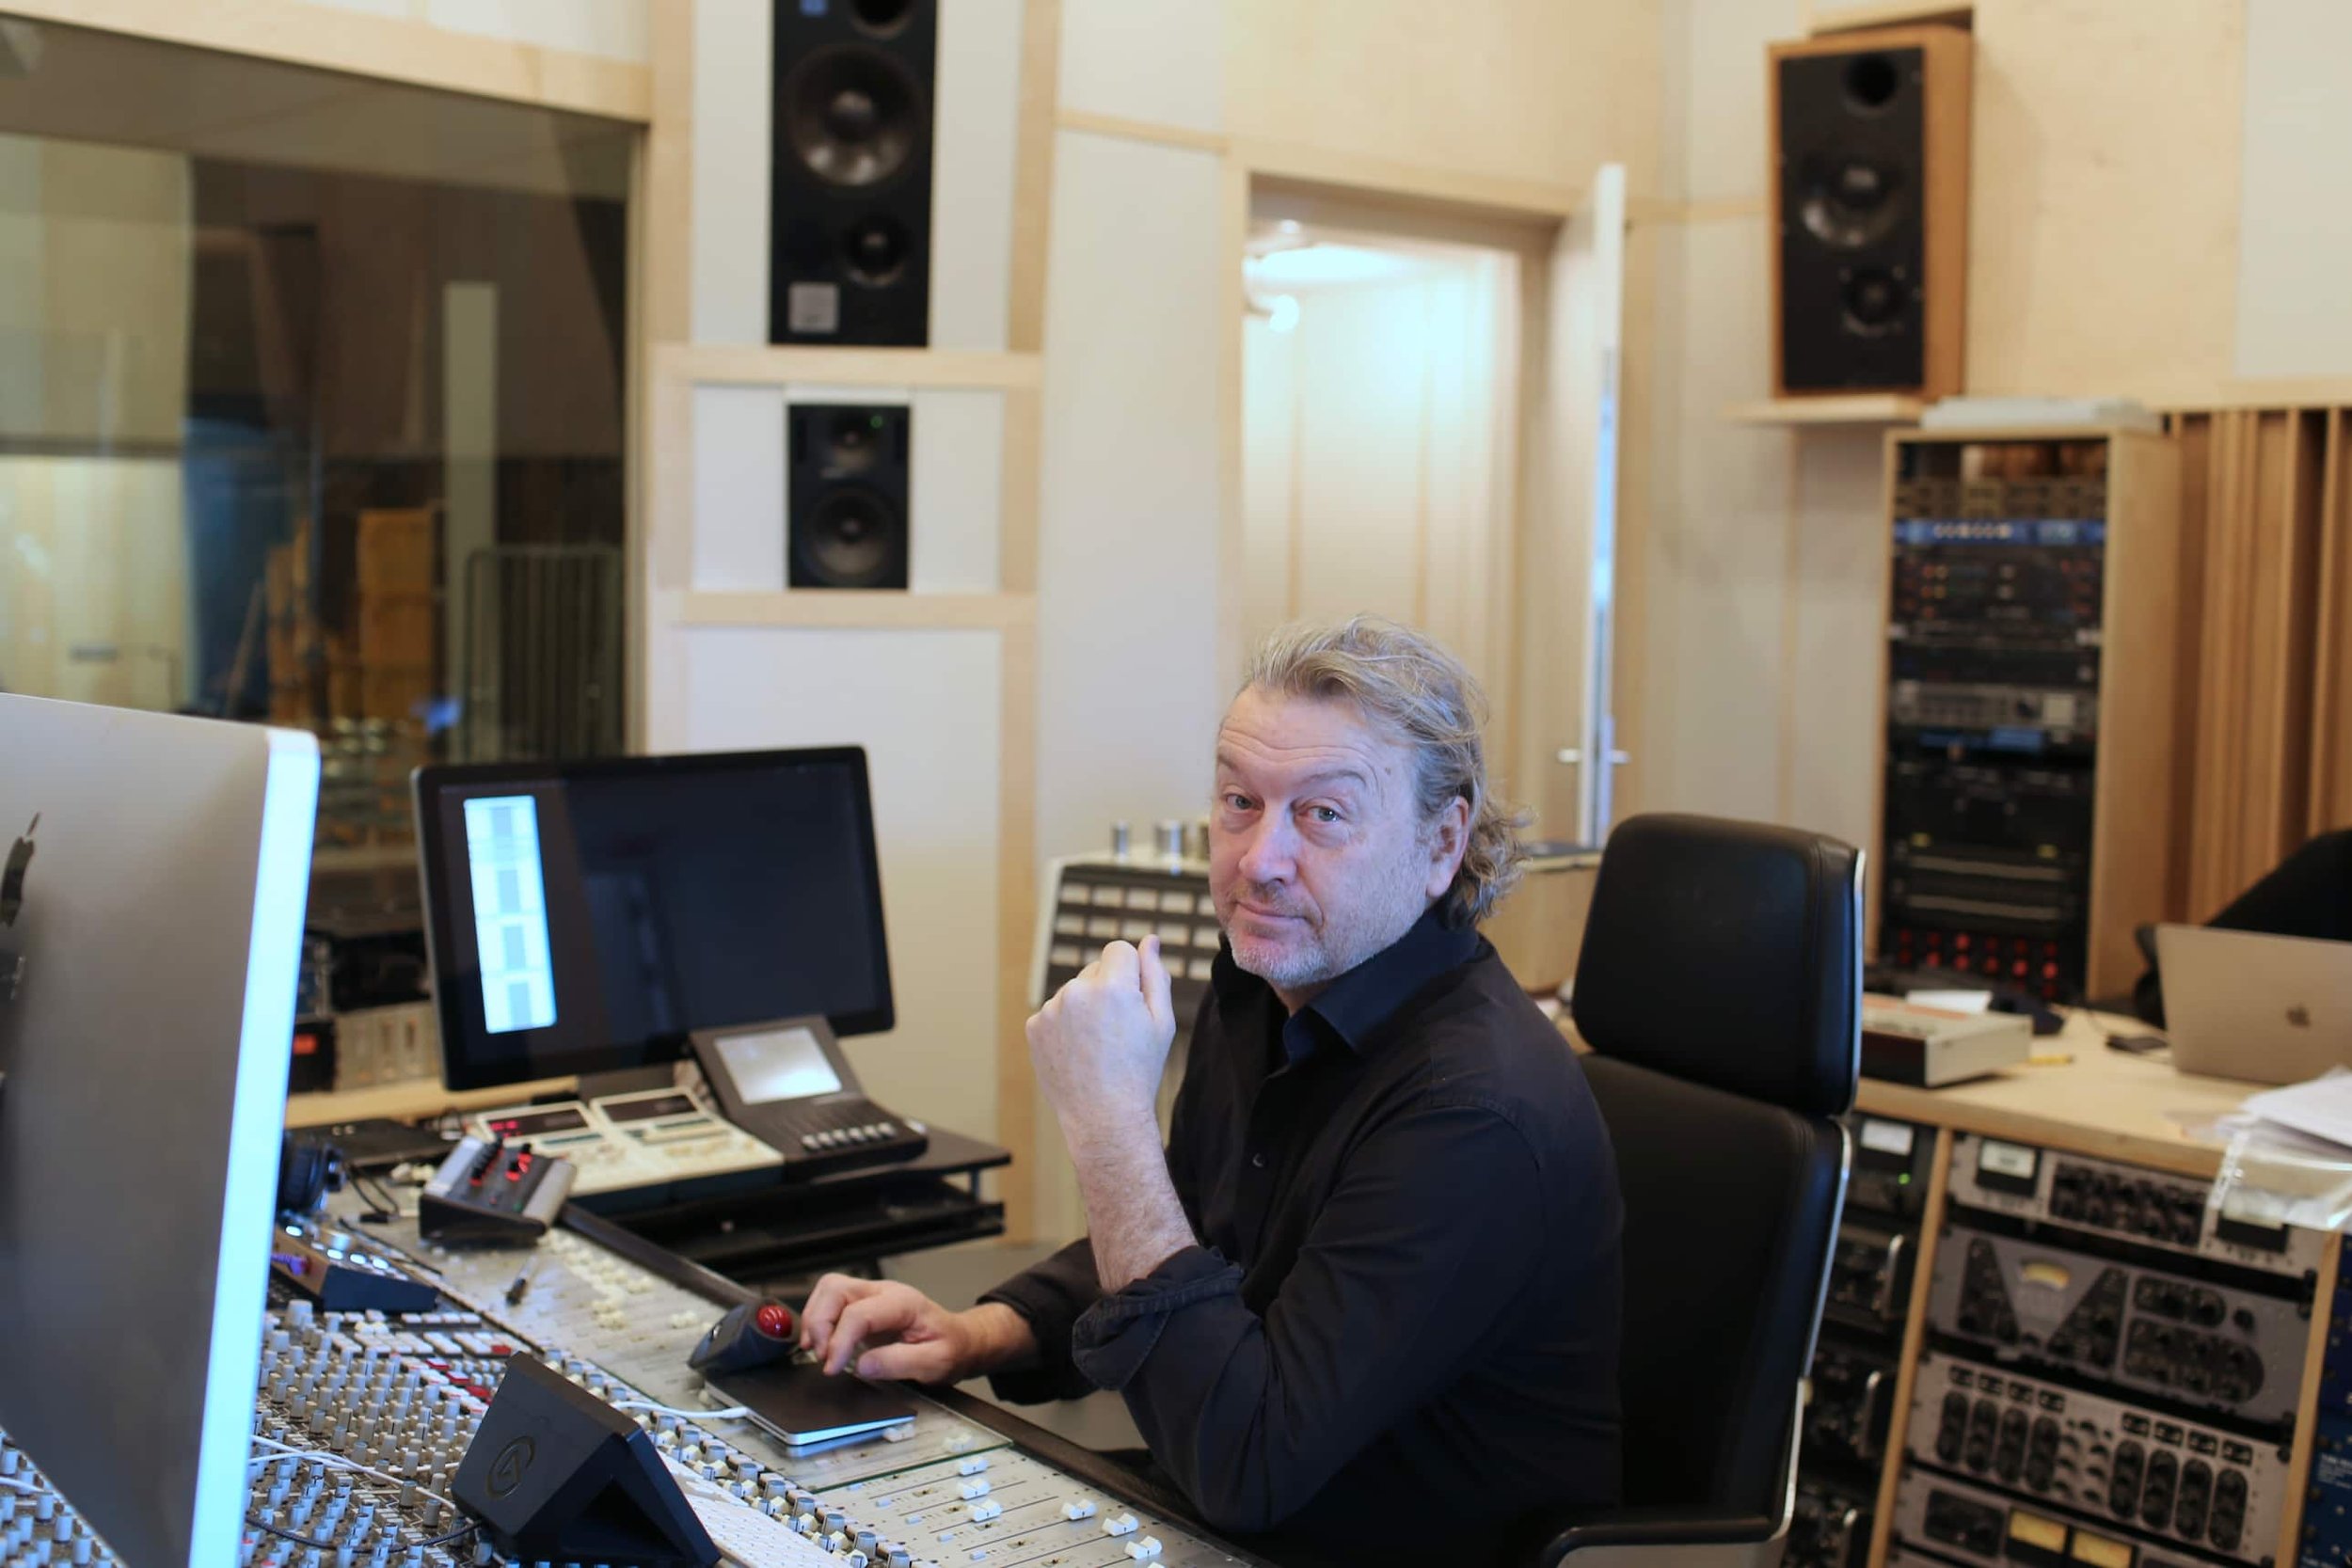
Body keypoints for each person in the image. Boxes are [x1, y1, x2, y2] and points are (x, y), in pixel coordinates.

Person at [800, 616, 1623, 1564]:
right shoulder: (1266, 986)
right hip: (1223, 1501)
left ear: (1443, 840)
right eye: (1240, 800)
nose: (1259, 859)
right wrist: (979, 1332)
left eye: (1322, 813)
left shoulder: (1473, 1109)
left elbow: (1248, 1462)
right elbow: (1180, 1234)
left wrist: (1108, 1124)